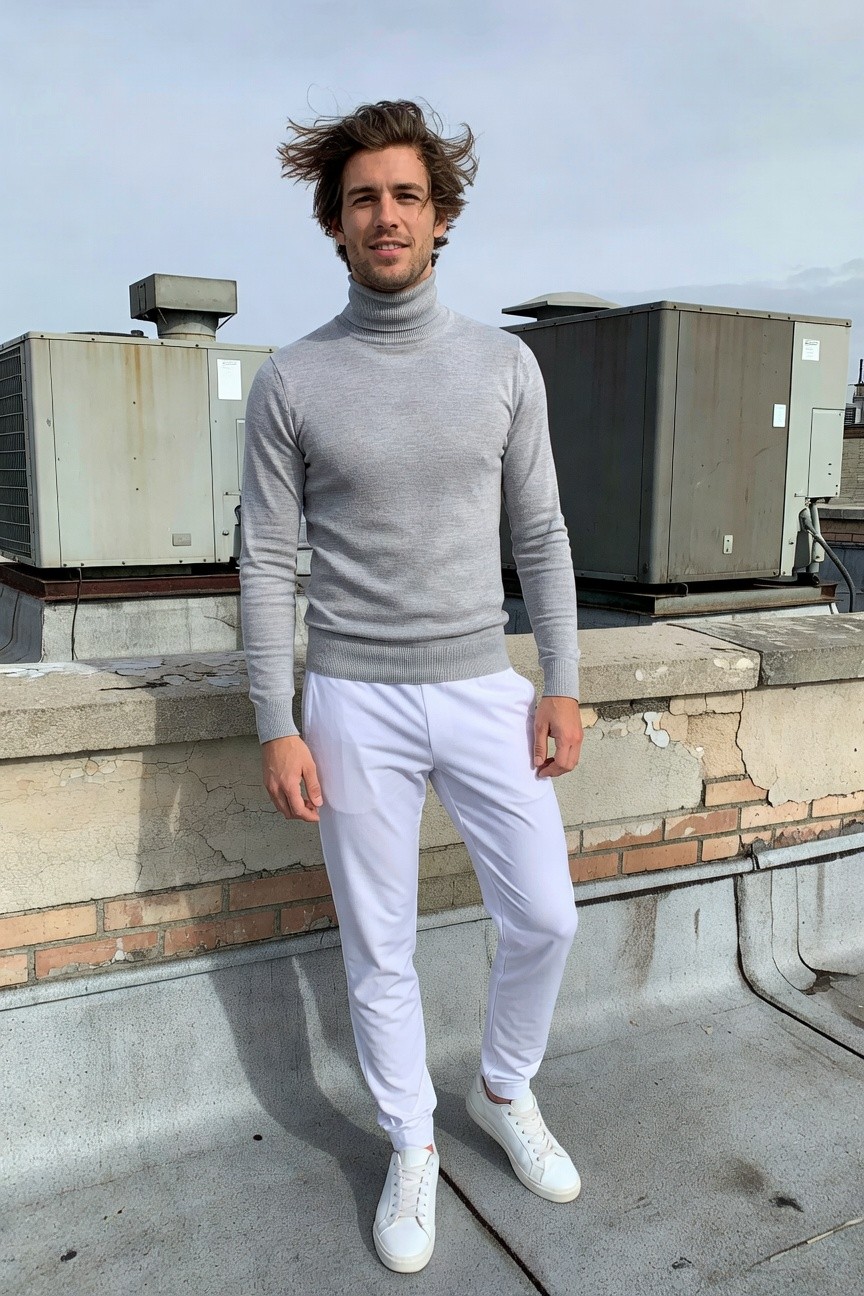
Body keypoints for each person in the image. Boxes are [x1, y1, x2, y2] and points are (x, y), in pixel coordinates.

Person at [239, 99, 584, 1275]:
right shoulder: (293, 379)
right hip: (350, 699)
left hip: (484, 684)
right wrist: (274, 723)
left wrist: (562, 682)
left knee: (544, 913)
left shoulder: (504, 364)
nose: (384, 216)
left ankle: (502, 1086)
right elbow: (267, 564)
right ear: (334, 227)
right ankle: (409, 1144)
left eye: (404, 196)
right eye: (361, 200)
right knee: (378, 945)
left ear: (440, 218)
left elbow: (539, 533)